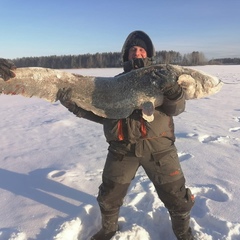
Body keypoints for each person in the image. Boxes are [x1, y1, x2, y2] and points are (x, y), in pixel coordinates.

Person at [0, 30, 195, 240]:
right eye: (132, 50)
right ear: (126, 55)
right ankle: (109, 229)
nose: (137, 53)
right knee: (108, 197)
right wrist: (74, 106)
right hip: (122, 149)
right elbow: (102, 115)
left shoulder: (163, 78)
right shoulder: (113, 85)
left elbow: (176, 109)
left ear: (148, 54)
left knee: (177, 198)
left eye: (141, 50)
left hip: (159, 149)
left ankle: (184, 234)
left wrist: (173, 91)